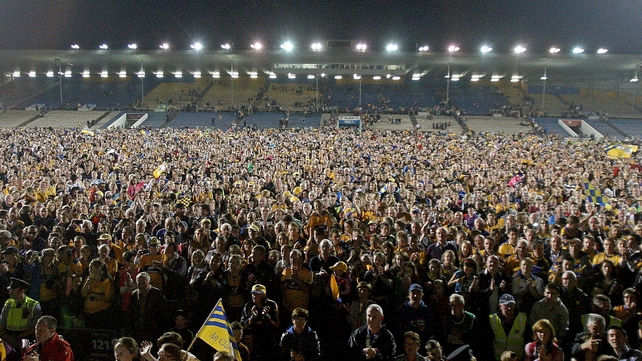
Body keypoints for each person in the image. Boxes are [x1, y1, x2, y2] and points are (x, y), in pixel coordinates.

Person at [0, 278, 42, 350]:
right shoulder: (8, 304)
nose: (10, 292)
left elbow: (35, 327)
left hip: (26, 340)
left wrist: (18, 338)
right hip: (8, 338)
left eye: (13, 290)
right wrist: (7, 338)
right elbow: (1, 325)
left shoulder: (34, 305)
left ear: (22, 291)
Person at [241, 284, 279, 361]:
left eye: (257, 294)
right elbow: (242, 325)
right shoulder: (248, 305)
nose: (254, 296)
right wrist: (252, 317)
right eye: (253, 293)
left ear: (264, 295)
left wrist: (267, 316)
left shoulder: (271, 304)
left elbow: (276, 324)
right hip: (253, 337)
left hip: (267, 336)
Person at [488, 294, 527, 361]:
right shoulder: (492, 319)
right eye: (506, 305)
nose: (509, 308)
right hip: (498, 358)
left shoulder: (523, 317)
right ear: (500, 306)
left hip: (517, 358)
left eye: (511, 305)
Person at [130, 272, 167, 342]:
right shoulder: (134, 294)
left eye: (144, 282)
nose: (141, 285)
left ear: (148, 282)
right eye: (139, 283)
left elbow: (163, 311)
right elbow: (132, 311)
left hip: (153, 327)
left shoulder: (156, 293)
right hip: (139, 327)